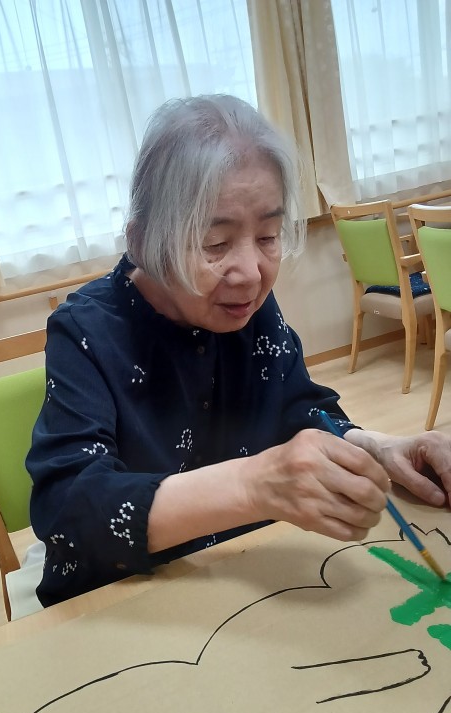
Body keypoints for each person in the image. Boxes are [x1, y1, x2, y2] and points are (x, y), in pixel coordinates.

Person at [26, 94, 451, 608]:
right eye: (215, 243)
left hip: (240, 574)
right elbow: (69, 510)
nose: (251, 273)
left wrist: (377, 447)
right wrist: (254, 485)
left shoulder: (245, 307)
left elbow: (299, 409)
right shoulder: (87, 332)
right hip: (132, 601)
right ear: (142, 241)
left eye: (268, 236)